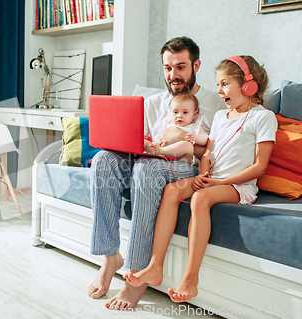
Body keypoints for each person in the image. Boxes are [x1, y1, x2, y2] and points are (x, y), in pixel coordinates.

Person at [123, 55, 277, 304]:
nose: (219, 91)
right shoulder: (219, 117)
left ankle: (190, 278)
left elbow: (260, 166)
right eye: (218, 84)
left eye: (225, 84)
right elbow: (208, 152)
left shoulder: (263, 117)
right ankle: (155, 266)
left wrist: (217, 183)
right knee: (172, 190)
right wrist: (204, 174)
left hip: (237, 186)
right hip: (212, 179)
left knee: (200, 199)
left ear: (248, 84)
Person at [87, 36, 226, 310]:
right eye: (167, 68)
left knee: (147, 169)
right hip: (149, 157)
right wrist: (143, 145)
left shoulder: (215, 103)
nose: (173, 75)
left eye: (181, 67)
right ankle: (110, 257)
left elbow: (216, 152)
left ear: (196, 65)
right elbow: (134, 140)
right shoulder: (152, 102)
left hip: (185, 165)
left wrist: (180, 143)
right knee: (103, 159)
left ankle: (137, 276)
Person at [146, 92, 208, 164]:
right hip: (167, 159)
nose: (179, 115)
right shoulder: (168, 126)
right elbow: (162, 140)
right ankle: (146, 147)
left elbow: (205, 138)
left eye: (185, 112)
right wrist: (156, 144)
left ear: (194, 115)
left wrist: (196, 138)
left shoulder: (195, 126)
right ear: (170, 113)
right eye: (175, 112)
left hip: (185, 159)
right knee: (151, 143)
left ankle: (160, 151)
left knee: (187, 145)